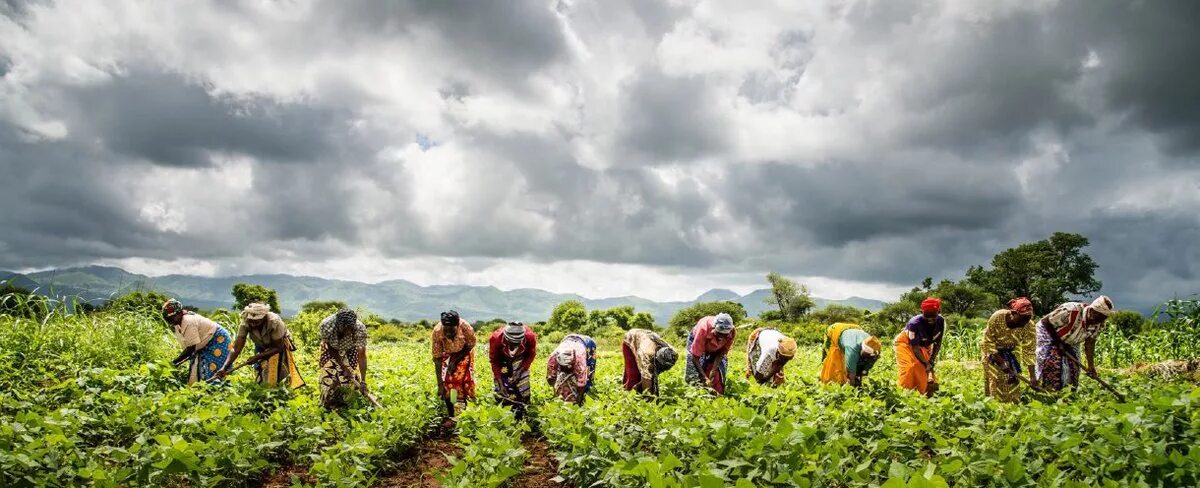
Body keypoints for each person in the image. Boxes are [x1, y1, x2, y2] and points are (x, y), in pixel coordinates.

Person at [216, 303, 305, 389]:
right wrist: (224, 368)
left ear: (264, 318)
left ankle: (280, 391)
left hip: (278, 345)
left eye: (256, 321)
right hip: (261, 344)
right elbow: (236, 348)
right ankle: (264, 389)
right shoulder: (245, 323)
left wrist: (257, 356)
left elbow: (278, 347)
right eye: (251, 321)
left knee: (278, 368)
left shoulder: (275, 322)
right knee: (261, 367)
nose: (253, 324)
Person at [1035, 296, 1115, 391]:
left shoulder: (1098, 323)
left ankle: (1069, 394)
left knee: (1074, 367)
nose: (1101, 321)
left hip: (1072, 339)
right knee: (1051, 362)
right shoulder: (1070, 310)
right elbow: (1046, 322)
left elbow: (1090, 343)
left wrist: (1091, 366)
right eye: (1100, 317)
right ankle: (1045, 390)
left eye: (1104, 318)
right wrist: (1058, 343)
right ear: (1092, 311)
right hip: (1049, 332)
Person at [162, 299, 234, 385]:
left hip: (218, 340)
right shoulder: (179, 322)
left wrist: (173, 363)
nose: (171, 321)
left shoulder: (188, 321)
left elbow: (191, 348)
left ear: (180, 313)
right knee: (200, 368)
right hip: (206, 342)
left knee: (214, 369)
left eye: (172, 318)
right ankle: (203, 390)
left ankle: (217, 391)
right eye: (168, 319)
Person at [980, 297, 1037, 402]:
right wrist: (1001, 362)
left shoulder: (1029, 326)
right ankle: (995, 406)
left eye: (1028, 319)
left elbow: (1029, 350)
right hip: (992, 352)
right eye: (1022, 319)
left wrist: (1032, 377)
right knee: (996, 378)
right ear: (1013, 313)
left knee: (1012, 380)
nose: (1024, 323)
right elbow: (987, 341)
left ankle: (1012, 404)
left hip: (1011, 352)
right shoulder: (998, 317)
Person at [317, 308, 370, 409]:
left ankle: (345, 402)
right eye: (345, 329)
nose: (348, 332)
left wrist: (363, 381)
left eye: (350, 329)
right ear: (339, 325)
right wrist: (343, 366)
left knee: (347, 378)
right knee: (329, 378)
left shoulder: (360, 329)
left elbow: (362, 355)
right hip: (331, 349)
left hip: (350, 349)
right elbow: (330, 347)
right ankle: (328, 404)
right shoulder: (327, 325)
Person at [894, 297, 945, 396]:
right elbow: (915, 348)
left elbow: (938, 343)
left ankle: (925, 392)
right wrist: (926, 363)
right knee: (910, 367)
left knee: (923, 369)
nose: (930, 319)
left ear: (939, 312)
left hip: (924, 345)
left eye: (933, 316)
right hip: (905, 343)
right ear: (922, 312)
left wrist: (931, 360)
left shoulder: (940, 321)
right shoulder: (914, 323)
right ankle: (904, 394)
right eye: (927, 316)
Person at [488, 321, 537, 420]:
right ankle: (504, 411)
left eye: (517, 343)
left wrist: (520, 371)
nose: (515, 345)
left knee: (522, 383)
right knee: (503, 385)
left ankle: (523, 410)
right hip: (502, 359)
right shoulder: (496, 339)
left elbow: (531, 355)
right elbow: (495, 361)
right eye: (512, 342)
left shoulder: (530, 337)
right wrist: (500, 384)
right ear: (506, 338)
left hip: (520, 359)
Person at [432, 310, 476, 417]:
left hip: (463, 353)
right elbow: (437, 357)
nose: (448, 334)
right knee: (447, 383)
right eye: (446, 331)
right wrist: (440, 384)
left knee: (462, 381)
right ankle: (451, 415)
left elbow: (470, 344)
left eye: (451, 330)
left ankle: (464, 414)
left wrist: (455, 360)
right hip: (446, 354)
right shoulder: (437, 332)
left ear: (457, 325)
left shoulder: (466, 328)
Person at [685, 313, 736, 395]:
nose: (721, 337)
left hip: (717, 349)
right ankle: (696, 394)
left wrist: (713, 369)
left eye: (724, 334)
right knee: (693, 373)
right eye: (719, 333)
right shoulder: (703, 329)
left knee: (718, 373)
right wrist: (704, 377)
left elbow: (721, 353)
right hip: (698, 339)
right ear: (714, 328)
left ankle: (715, 394)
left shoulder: (732, 332)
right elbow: (695, 357)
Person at [621, 328, 678, 396]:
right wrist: (649, 398)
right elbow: (647, 382)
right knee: (633, 375)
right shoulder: (646, 355)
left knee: (649, 375)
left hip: (645, 338)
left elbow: (651, 374)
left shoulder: (672, 353)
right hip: (630, 340)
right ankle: (628, 395)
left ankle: (637, 390)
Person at [547, 333, 597, 405]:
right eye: (563, 368)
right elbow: (550, 378)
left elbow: (582, 384)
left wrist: (578, 401)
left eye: (569, 368)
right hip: (568, 339)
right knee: (561, 379)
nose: (566, 371)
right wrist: (557, 391)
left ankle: (586, 397)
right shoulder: (553, 358)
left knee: (589, 375)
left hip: (588, 344)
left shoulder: (580, 360)